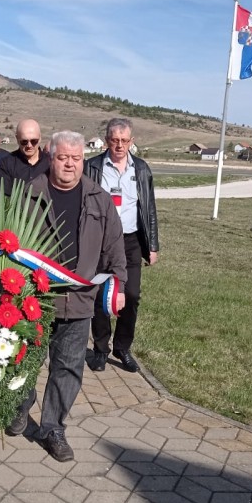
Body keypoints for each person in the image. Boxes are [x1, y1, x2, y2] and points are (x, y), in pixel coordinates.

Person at [7, 130, 126, 462]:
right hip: (35, 300)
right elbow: (10, 244)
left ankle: (52, 428)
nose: (70, 164)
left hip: (80, 300)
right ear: (51, 157)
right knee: (24, 362)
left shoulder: (99, 199)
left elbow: (115, 247)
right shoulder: (28, 194)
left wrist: (118, 286)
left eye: (76, 158)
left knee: (69, 367)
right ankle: (20, 404)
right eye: (63, 158)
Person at [85, 118, 159, 373]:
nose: (119, 145)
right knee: (100, 296)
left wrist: (152, 245)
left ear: (131, 141)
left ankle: (122, 347)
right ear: (107, 140)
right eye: (114, 140)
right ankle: (100, 350)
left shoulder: (141, 169)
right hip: (100, 240)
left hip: (130, 240)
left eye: (124, 141)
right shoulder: (92, 167)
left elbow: (149, 209)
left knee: (132, 295)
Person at [0, 118, 51, 196]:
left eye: (34, 141)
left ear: (40, 138)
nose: (29, 145)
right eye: (24, 141)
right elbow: (1, 197)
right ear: (17, 139)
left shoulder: (50, 163)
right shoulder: (6, 164)